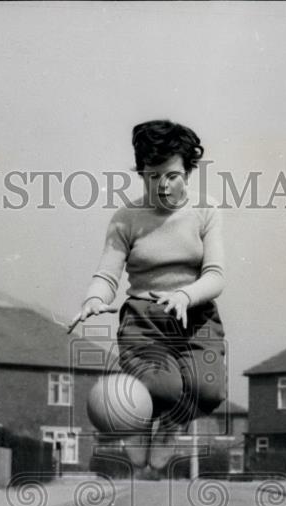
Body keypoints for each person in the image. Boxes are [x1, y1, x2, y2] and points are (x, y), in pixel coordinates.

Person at [69, 120, 227, 475]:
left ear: (188, 170)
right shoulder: (126, 218)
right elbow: (107, 273)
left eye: (171, 175)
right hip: (144, 320)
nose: (163, 186)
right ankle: (139, 421)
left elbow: (215, 276)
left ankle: (172, 424)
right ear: (141, 174)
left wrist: (186, 296)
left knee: (210, 392)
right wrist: (94, 298)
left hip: (196, 315)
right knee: (165, 387)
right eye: (151, 177)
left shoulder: (206, 210)